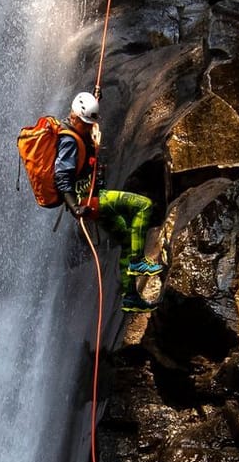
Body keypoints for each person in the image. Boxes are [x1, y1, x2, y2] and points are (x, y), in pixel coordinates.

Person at [54, 91, 164, 312]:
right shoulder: (68, 140)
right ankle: (137, 262)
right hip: (91, 201)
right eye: (85, 123)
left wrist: (96, 99)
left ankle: (130, 296)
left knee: (124, 237)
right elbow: (61, 177)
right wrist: (76, 207)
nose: (88, 127)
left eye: (89, 123)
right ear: (74, 117)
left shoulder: (76, 128)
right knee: (143, 205)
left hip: (93, 197)